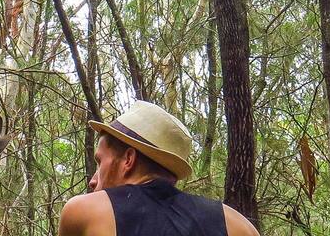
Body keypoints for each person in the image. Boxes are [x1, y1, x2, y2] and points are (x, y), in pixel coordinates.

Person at [57, 101, 259, 236]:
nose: (93, 180)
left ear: (128, 159)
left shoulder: (83, 213)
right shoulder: (237, 225)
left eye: (100, 162)